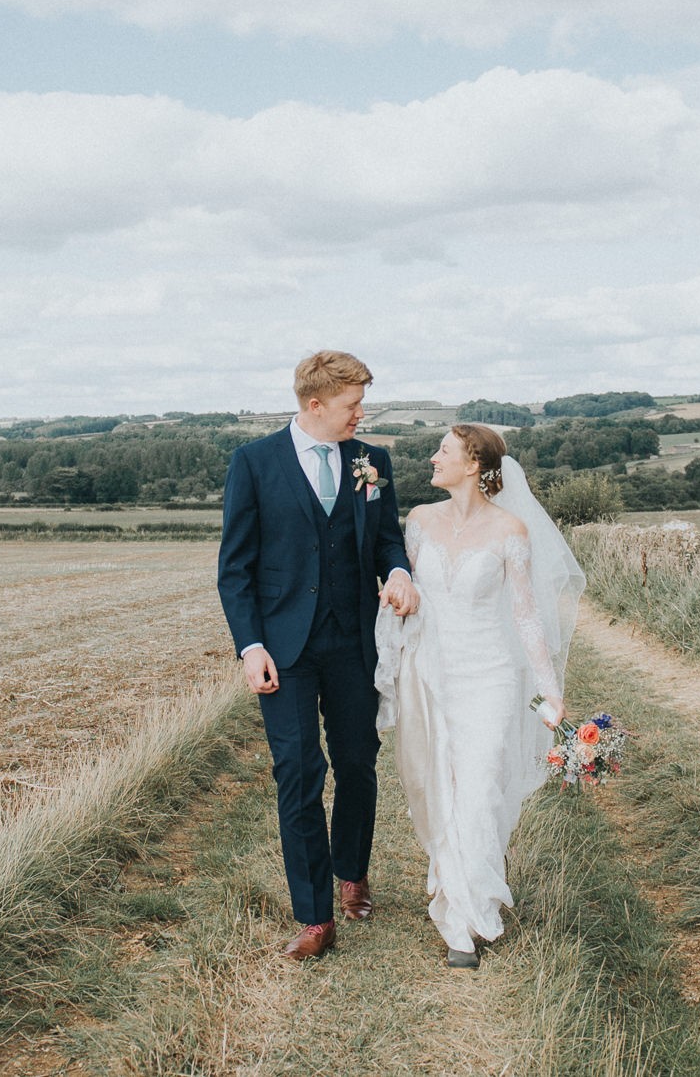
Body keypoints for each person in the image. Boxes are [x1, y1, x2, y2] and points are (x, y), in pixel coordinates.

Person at [217, 350, 416, 961]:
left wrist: (400, 572)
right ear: (315, 404)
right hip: (285, 649)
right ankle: (314, 916)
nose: (362, 414)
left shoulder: (371, 462)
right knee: (299, 773)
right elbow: (235, 569)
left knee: (358, 763)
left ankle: (352, 872)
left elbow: (387, 539)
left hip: (357, 641)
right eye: (353, 404)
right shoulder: (253, 464)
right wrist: (251, 646)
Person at [375, 424, 585, 970]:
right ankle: (453, 882)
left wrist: (550, 692)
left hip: (490, 674)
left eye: (443, 450)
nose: (432, 456)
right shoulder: (420, 522)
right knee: (435, 785)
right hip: (431, 672)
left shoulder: (510, 530)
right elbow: (409, 586)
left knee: (480, 786)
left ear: (473, 464)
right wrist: (402, 598)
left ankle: (466, 919)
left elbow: (526, 615)